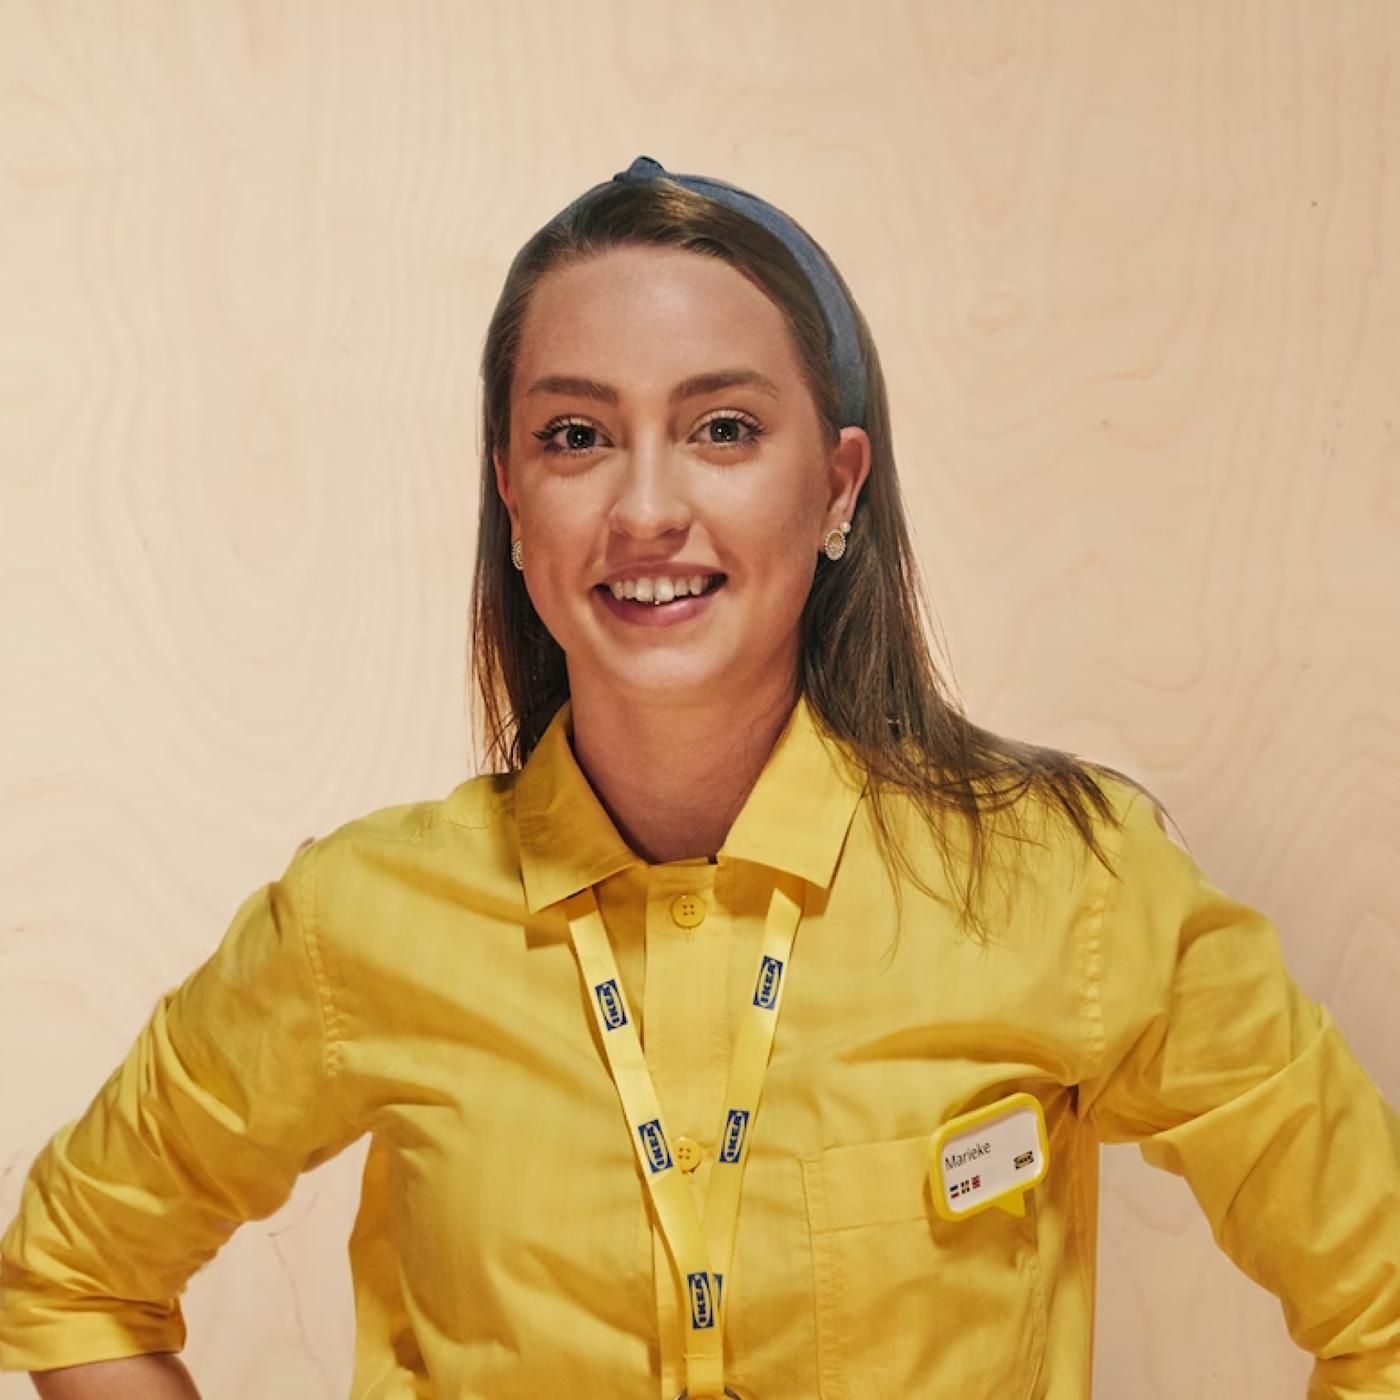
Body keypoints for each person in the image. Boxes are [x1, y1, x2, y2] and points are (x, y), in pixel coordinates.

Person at [1, 154, 1396, 1400]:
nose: (648, 508)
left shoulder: (1066, 885)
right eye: (576, 435)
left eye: (723, 428)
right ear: (510, 490)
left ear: (840, 486)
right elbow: (68, 1276)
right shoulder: (359, 920)